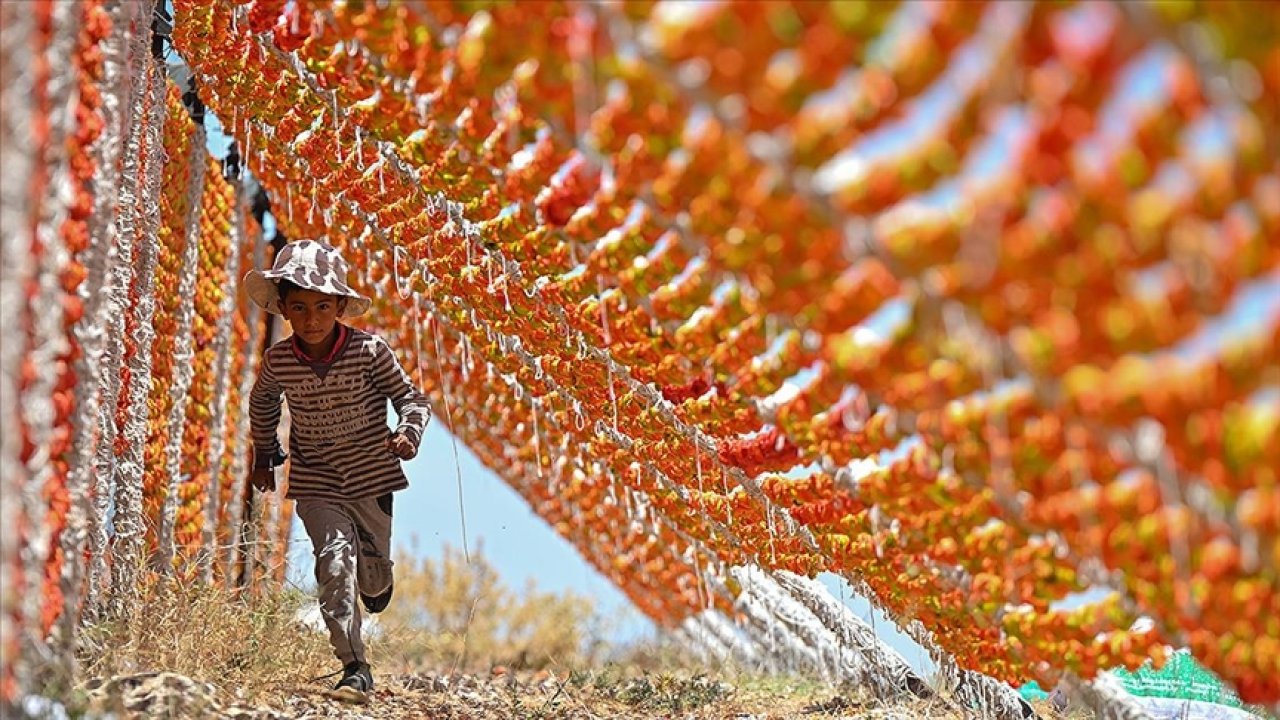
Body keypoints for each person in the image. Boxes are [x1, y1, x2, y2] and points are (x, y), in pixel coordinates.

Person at [244, 239, 432, 702]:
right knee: (333, 561)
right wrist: (264, 453)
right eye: (301, 307)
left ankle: (378, 579)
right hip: (317, 480)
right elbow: (262, 402)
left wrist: (408, 433)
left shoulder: (370, 352)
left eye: (323, 307)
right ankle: (354, 665)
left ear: (341, 306)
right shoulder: (280, 362)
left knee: (371, 574)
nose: (312, 320)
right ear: (284, 309)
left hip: (371, 477)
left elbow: (412, 399)